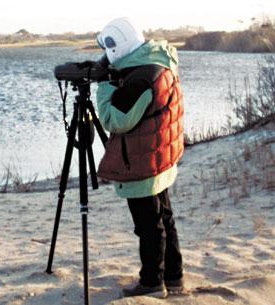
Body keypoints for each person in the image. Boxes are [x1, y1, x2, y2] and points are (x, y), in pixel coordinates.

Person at [95, 17, 185, 298]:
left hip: (144, 163)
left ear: (116, 46)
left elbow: (115, 119)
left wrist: (104, 87)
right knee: (163, 219)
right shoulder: (157, 63)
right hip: (159, 155)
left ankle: (152, 283)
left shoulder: (141, 80)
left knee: (149, 226)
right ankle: (174, 277)